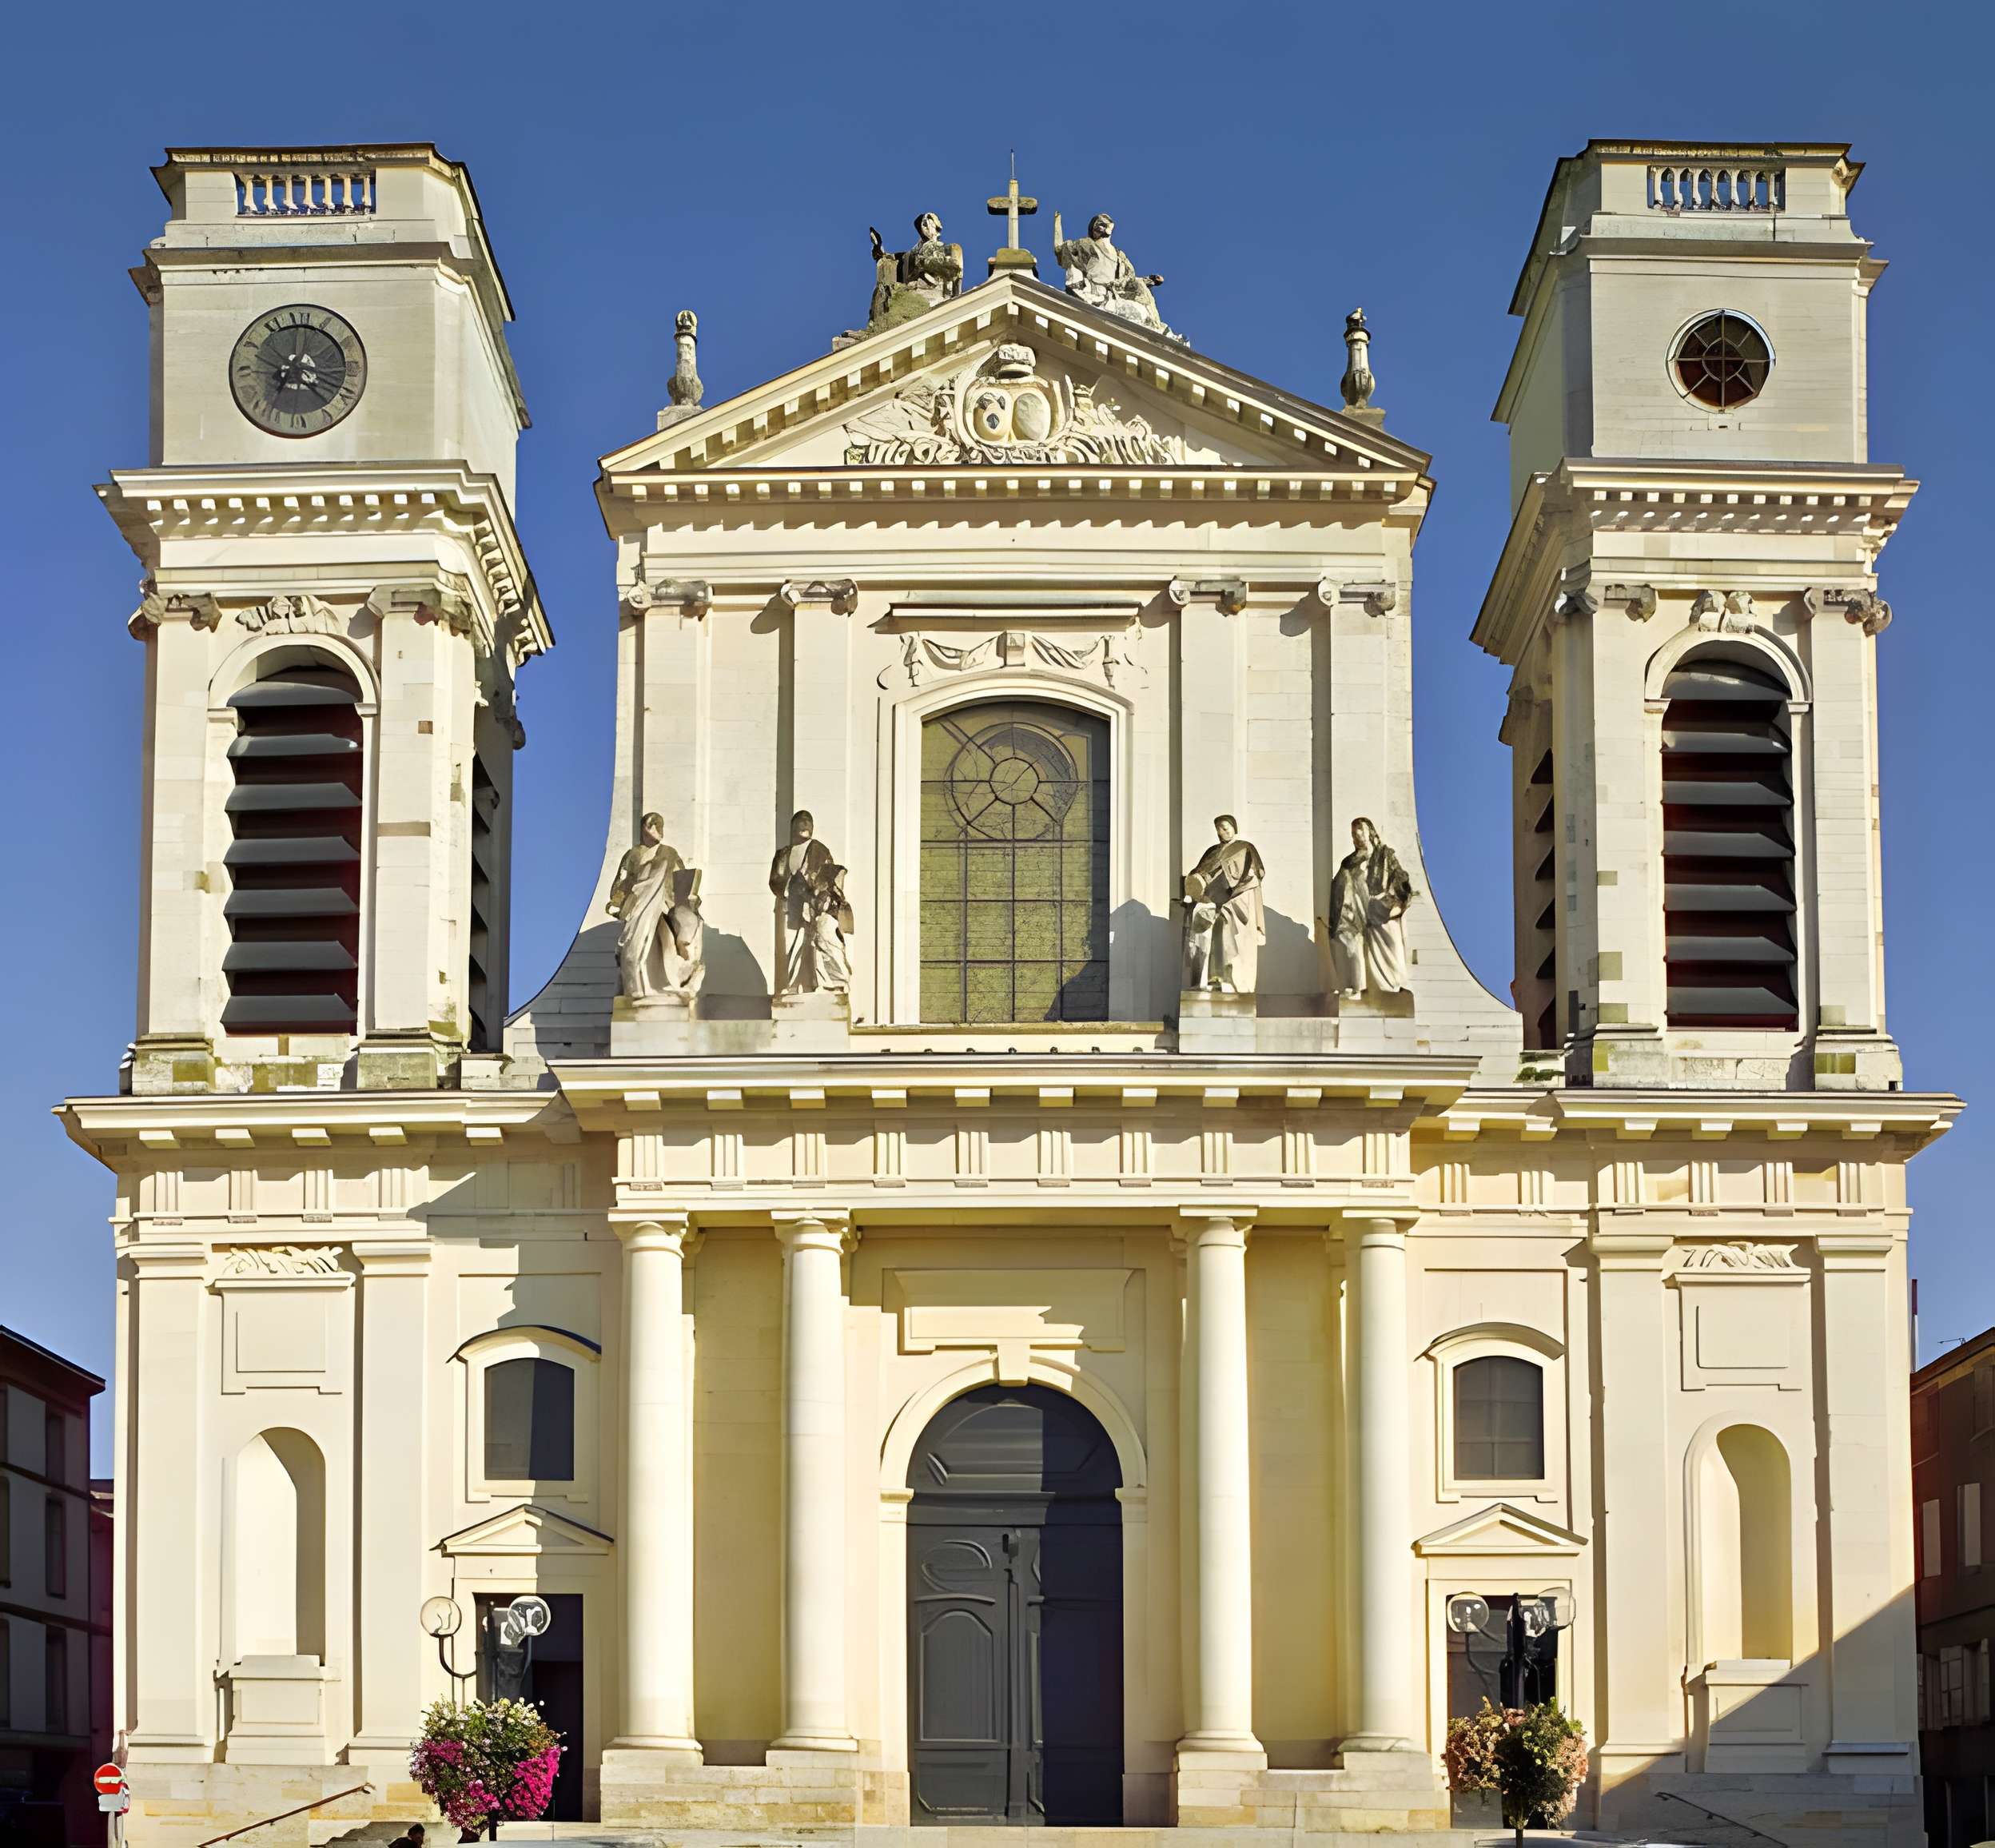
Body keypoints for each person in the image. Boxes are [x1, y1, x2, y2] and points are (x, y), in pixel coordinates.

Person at [606, 812, 703, 997]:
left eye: (660, 826)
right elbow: (620, 884)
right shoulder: (633, 854)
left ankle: (679, 973)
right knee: (633, 948)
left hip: (665, 905)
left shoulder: (669, 853)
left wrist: (691, 896)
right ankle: (639, 987)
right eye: (654, 826)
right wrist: (617, 902)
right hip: (639, 904)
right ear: (645, 828)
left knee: (687, 924)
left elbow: (681, 878)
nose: (658, 830)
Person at [1327, 816, 1414, 997]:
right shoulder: (1349, 863)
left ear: (1370, 832)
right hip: (1358, 913)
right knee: (1351, 945)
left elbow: (1401, 881)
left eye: (1360, 830)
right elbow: (1341, 887)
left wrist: (1393, 901)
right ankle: (1357, 986)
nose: (1357, 835)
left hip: (1383, 912)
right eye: (1353, 833)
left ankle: (1392, 986)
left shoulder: (1384, 856)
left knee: (1391, 948)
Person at [1181, 814, 1266, 994]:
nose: (1223, 831)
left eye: (1226, 827)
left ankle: (1229, 979)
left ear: (1234, 828)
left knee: (1224, 927)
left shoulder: (1245, 848)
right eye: (1219, 828)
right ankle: (1204, 979)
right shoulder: (1212, 852)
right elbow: (1198, 874)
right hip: (1210, 901)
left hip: (1236, 901)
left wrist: (1232, 893)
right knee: (1200, 926)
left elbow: (1255, 873)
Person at [1053, 212, 1169, 333]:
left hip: (1115, 297)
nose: (1099, 227)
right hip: (1094, 292)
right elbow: (1059, 249)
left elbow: (1129, 280)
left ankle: (1159, 330)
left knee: (1142, 311)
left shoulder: (1120, 256)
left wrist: (1148, 280)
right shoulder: (1086, 244)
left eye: (1103, 224)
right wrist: (1057, 224)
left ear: (1110, 228)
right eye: (1096, 225)